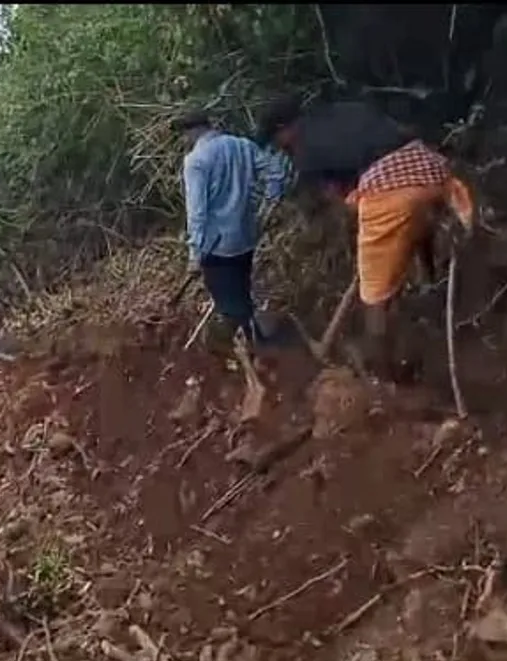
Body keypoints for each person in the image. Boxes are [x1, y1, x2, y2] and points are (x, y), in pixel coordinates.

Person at [256, 94, 475, 379]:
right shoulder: (347, 108)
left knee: (374, 296)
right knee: (414, 222)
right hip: (431, 168)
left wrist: (364, 237)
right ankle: (428, 281)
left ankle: (383, 375)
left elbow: (341, 203)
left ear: (285, 129)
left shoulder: (304, 153)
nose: (280, 147)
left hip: (391, 193)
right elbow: (397, 134)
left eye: (277, 141)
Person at [175, 111, 288, 420]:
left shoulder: (196, 161)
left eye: (184, 135)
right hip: (245, 238)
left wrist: (195, 254)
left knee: (231, 307)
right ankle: (259, 347)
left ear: (191, 132)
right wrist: (271, 203)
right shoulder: (242, 146)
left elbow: (197, 213)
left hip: (216, 247)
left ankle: (254, 366)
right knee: (241, 294)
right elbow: (277, 172)